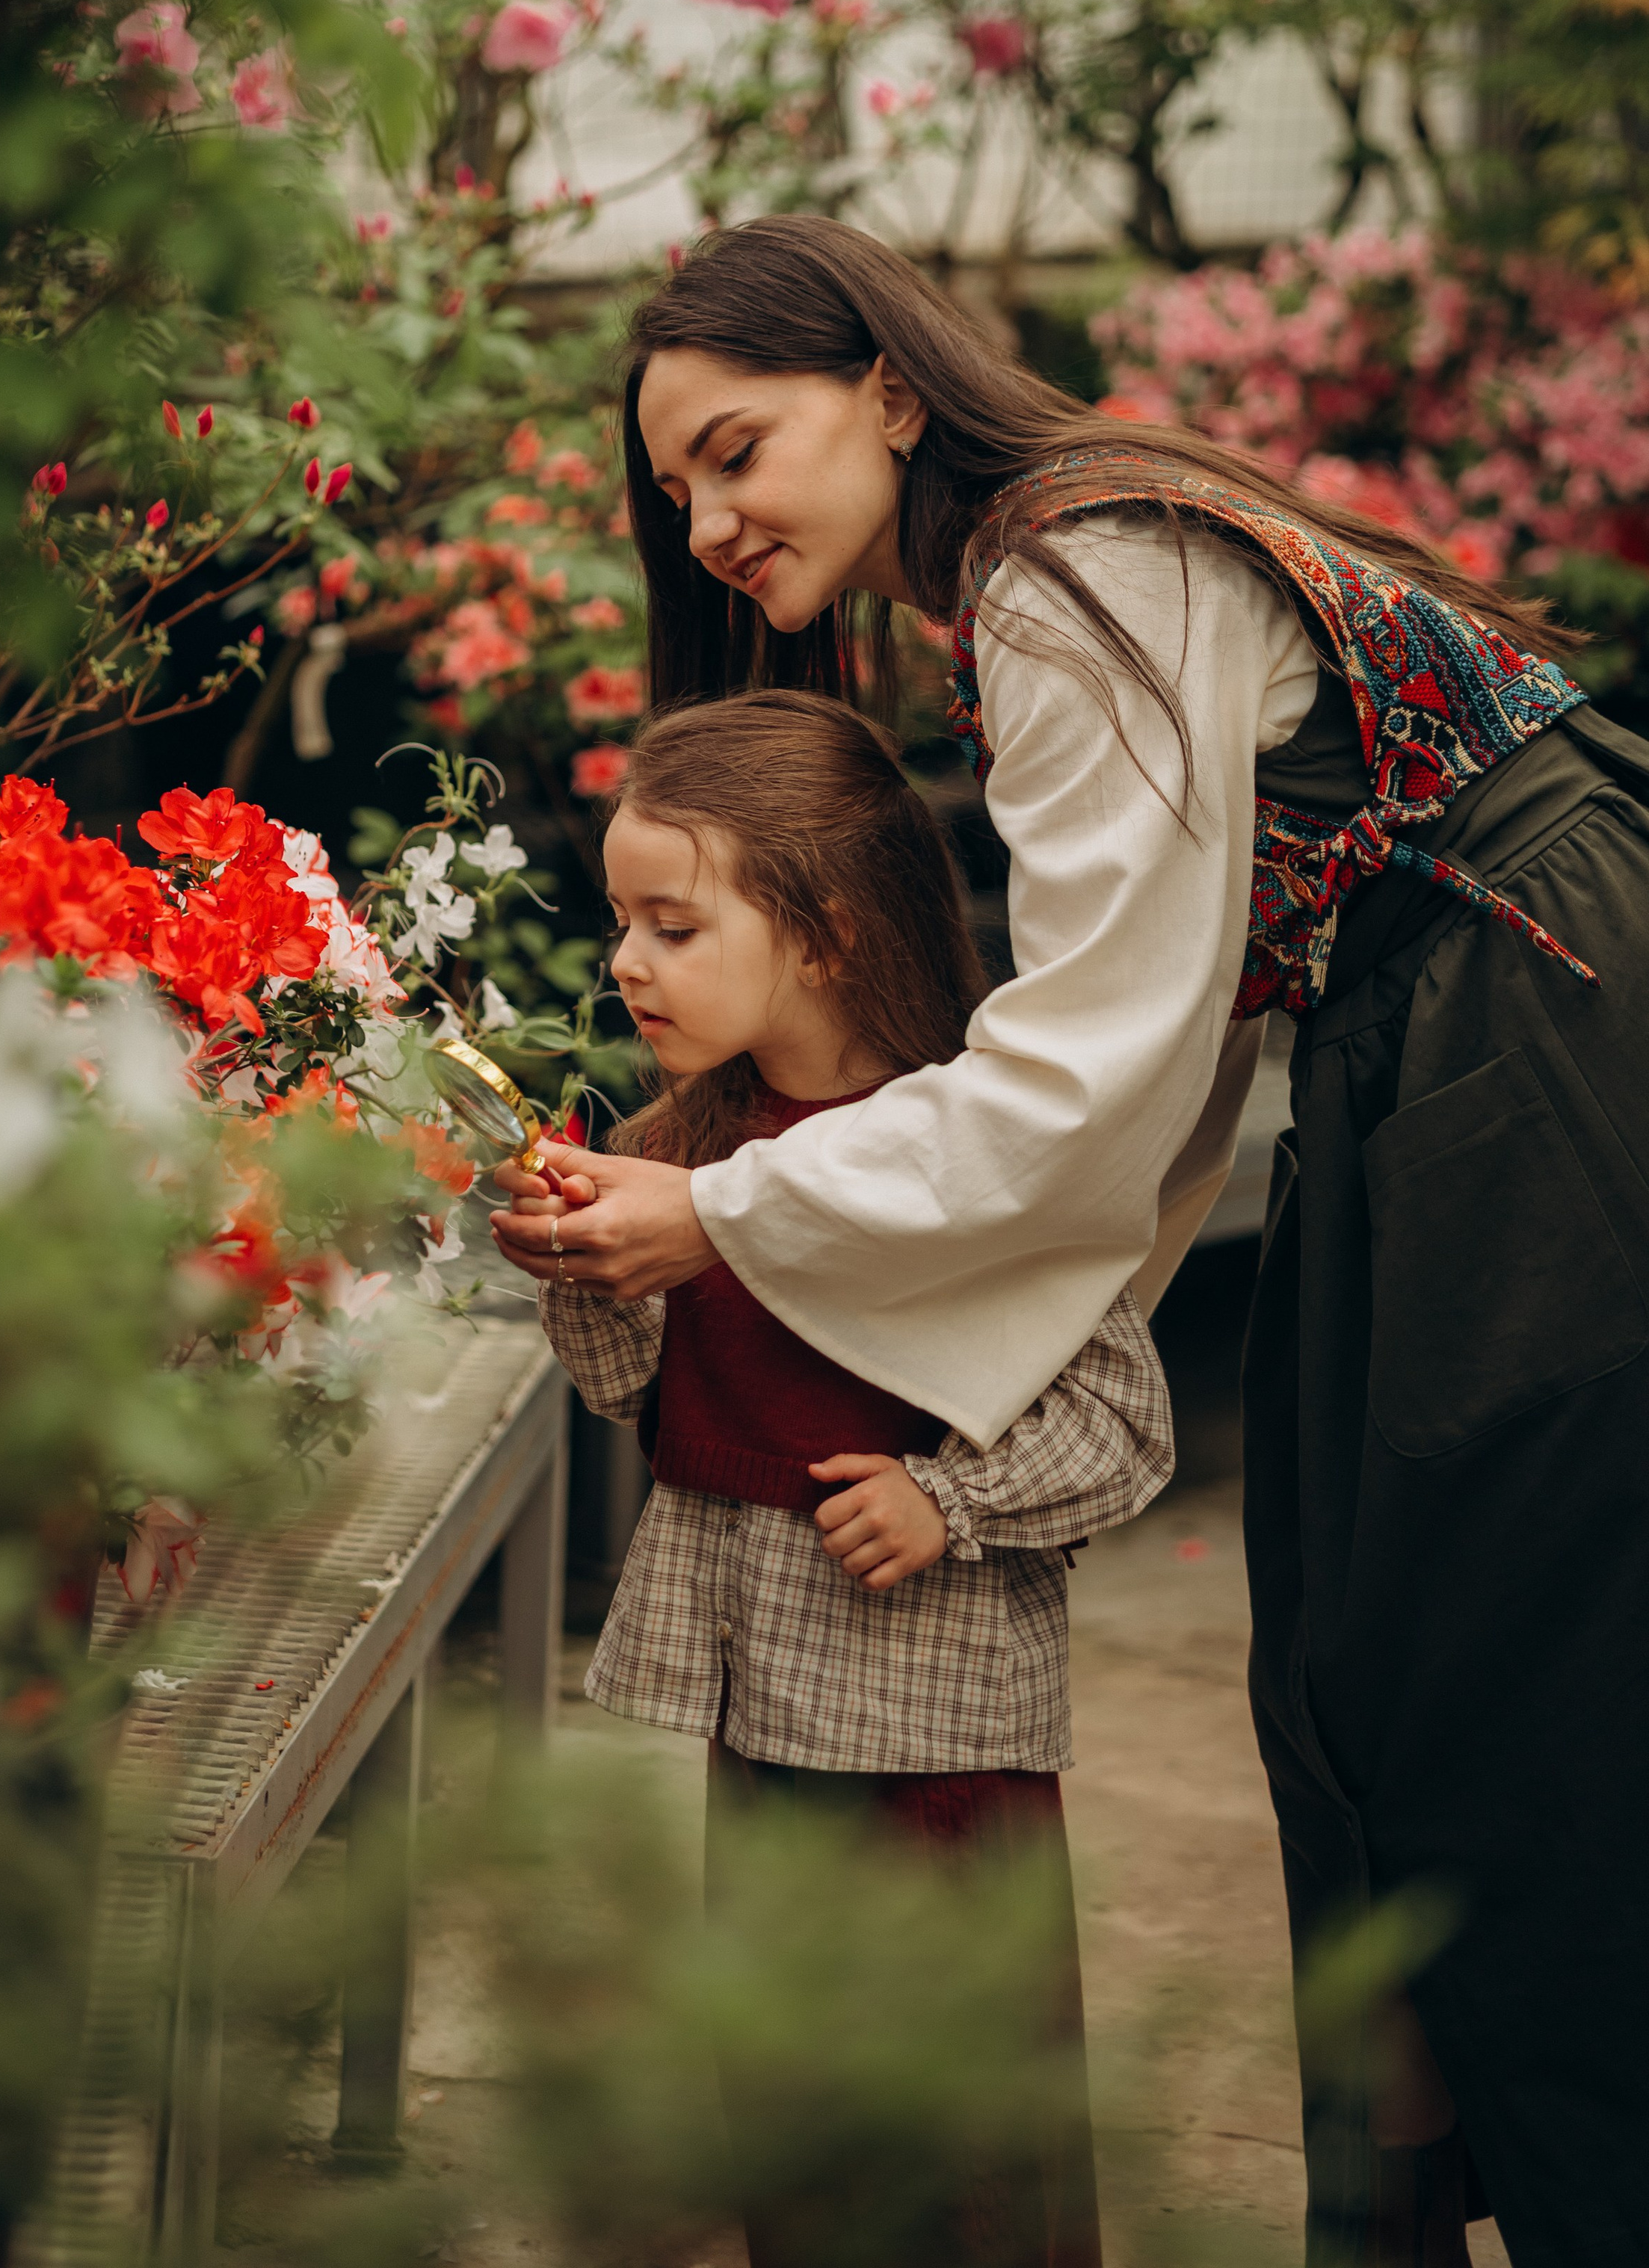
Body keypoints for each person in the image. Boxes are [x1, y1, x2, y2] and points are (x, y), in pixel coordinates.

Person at [492, 216, 1649, 2268]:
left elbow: (1096, 1069)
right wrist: (1020, 1325)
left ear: (890, 392)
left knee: (1494, 1693)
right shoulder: (1036, 575)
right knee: (1363, 1666)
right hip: (1453, 1038)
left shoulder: (1067, 570)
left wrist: (731, 1213)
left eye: (737, 452)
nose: (710, 520)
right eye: (677, 489)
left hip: (1536, 1012)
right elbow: (1167, 1047)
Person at [528, 689, 1171, 2268]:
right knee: (789, 2110)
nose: (626, 963)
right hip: (764, 1718)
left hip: (933, 1736)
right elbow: (634, 1391)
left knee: (958, 2132)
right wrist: (572, 1262)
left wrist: (946, 1501)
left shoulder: (949, 1159)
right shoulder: (683, 1140)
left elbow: (1123, 1421)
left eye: (671, 926)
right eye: (622, 923)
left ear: (817, 931)